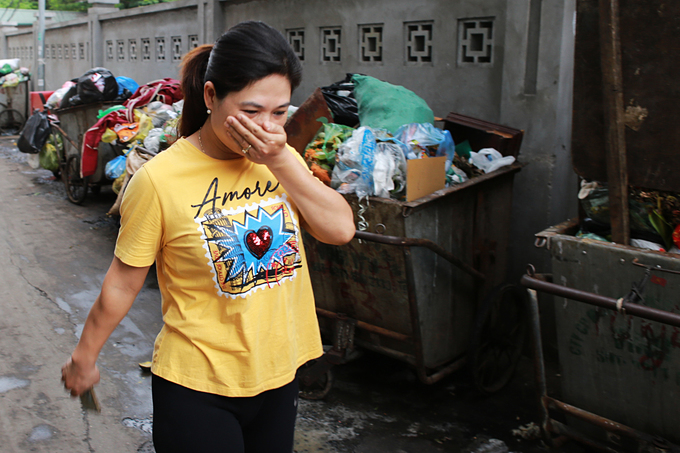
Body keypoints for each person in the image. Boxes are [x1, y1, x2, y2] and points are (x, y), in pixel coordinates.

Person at [61, 21, 355, 453]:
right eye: (251, 112)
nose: (266, 127)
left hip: (279, 372)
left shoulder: (281, 159)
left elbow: (340, 230)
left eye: (279, 113)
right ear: (212, 96)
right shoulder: (159, 180)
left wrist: (280, 161)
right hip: (197, 384)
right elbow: (123, 281)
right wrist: (85, 356)